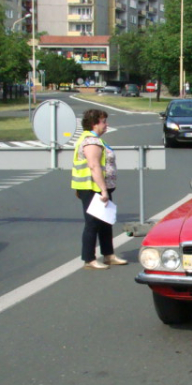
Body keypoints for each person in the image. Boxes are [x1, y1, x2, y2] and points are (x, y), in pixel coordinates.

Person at [71, 109, 128, 270]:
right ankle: (89, 259)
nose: (106, 124)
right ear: (94, 123)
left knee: (105, 222)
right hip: (93, 188)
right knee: (93, 224)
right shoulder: (91, 141)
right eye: (103, 121)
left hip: (97, 187)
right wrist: (103, 190)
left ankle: (109, 255)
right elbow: (94, 166)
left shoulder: (97, 140)